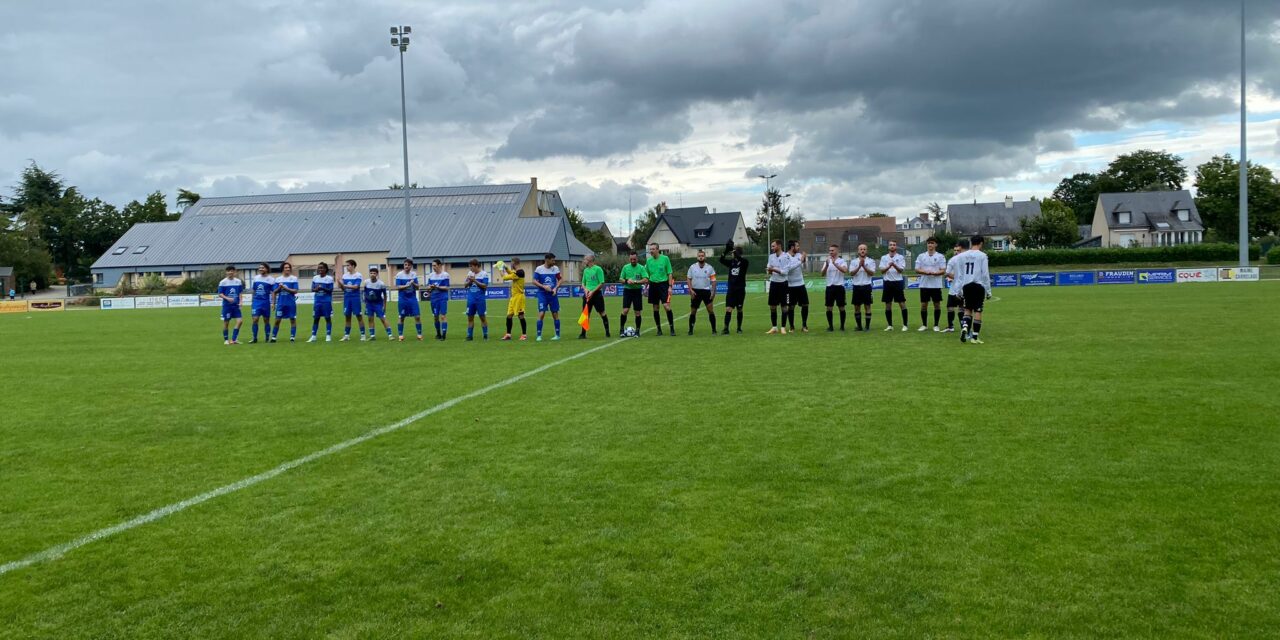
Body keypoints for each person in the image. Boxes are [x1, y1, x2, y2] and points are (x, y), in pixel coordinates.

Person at [953, 235, 992, 344]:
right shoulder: (982, 256)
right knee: (978, 310)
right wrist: (988, 291)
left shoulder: (962, 256)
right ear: (981, 243)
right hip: (978, 285)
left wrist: (958, 290)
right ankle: (974, 337)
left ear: (971, 243)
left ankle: (965, 327)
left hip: (966, 286)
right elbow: (985, 274)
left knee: (967, 309)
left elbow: (960, 275)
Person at [914, 237, 947, 332]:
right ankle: (924, 325)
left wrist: (935, 273)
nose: (930, 245)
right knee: (924, 305)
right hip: (924, 285)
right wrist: (925, 272)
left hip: (936, 285)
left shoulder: (940, 256)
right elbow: (917, 269)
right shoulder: (921, 256)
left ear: (936, 244)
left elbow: (943, 270)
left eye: (932, 243)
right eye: (928, 243)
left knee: (937, 305)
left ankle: (936, 325)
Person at [645, 243, 675, 336]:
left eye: (653, 249)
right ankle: (659, 329)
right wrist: (645, 288)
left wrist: (670, 286)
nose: (651, 251)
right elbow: (646, 276)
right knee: (655, 307)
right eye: (650, 249)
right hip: (653, 285)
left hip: (663, 285)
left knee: (666, 306)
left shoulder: (665, 258)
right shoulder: (648, 261)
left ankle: (672, 328)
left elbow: (670, 273)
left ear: (658, 250)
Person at [719, 241, 748, 334]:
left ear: (737, 253)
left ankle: (739, 328)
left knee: (739, 309)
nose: (731, 254)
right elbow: (721, 260)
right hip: (731, 290)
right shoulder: (731, 262)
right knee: (728, 309)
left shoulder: (744, 262)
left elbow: (740, 258)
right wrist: (726, 250)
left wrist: (734, 251)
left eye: (733, 253)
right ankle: (726, 328)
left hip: (740, 290)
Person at [686, 249, 717, 335]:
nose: (701, 257)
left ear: (705, 257)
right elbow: (688, 278)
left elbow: (713, 280)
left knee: (710, 310)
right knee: (693, 311)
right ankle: (690, 330)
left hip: (706, 291)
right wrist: (691, 290)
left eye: (702, 256)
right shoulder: (692, 267)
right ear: (697, 257)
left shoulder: (710, 267)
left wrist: (713, 292)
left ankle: (714, 330)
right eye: (699, 256)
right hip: (695, 291)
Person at [878, 241, 908, 332]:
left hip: (897, 282)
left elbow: (901, 270)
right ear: (888, 247)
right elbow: (882, 271)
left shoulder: (900, 257)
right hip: (887, 283)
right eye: (890, 245)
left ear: (896, 247)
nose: (892, 246)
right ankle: (890, 325)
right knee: (888, 305)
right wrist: (888, 266)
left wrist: (894, 265)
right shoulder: (884, 257)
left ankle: (905, 325)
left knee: (902, 303)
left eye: (894, 245)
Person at [579, 254, 610, 338]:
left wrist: (592, 291)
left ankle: (607, 332)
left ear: (590, 260)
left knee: (601, 312)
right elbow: (583, 283)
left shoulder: (598, 269)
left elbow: (601, 283)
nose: (584, 261)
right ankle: (583, 334)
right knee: (585, 314)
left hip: (596, 295)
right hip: (587, 295)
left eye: (585, 259)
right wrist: (585, 290)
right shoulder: (585, 270)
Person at [533, 253, 562, 341]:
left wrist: (556, 288)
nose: (554, 262)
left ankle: (557, 335)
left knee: (555, 314)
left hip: (552, 294)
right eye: (552, 260)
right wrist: (543, 286)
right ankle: (539, 336)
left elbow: (560, 279)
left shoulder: (555, 268)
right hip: (542, 294)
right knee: (541, 313)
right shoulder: (539, 269)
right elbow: (534, 281)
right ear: (547, 260)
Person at [618, 251, 648, 335]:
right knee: (625, 310)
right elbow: (620, 279)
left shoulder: (641, 268)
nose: (632, 261)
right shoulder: (625, 267)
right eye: (631, 259)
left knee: (637, 312)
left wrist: (635, 282)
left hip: (637, 291)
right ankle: (621, 329)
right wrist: (627, 281)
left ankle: (637, 331)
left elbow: (646, 279)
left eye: (634, 259)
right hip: (627, 291)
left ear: (637, 259)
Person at [820, 244, 849, 331]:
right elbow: (822, 274)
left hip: (839, 287)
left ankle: (842, 326)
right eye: (830, 250)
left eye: (832, 250)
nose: (830, 252)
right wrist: (827, 265)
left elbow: (845, 270)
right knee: (829, 307)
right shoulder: (827, 261)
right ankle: (831, 327)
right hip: (829, 287)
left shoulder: (842, 261)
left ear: (837, 251)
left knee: (841, 307)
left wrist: (835, 264)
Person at [765, 240, 791, 334]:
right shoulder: (771, 256)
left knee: (784, 307)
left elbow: (785, 272)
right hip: (773, 283)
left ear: (779, 246)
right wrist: (769, 270)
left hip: (783, 284)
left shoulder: (786, 256)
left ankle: (783, 327)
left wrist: (773, 269)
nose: (772, 248)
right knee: (772, 306)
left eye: (773, 246)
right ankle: (774, 327)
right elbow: (768, 269)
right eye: (771, 246)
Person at [394, 259, 423, 342]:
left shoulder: (413, 274)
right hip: (403, 299)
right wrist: (406, 286)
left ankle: (419, 335)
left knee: (417, 316)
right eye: (405, 265)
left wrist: (413, 283)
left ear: (411, 266)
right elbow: (397, 287)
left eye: (408, 265)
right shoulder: (399, 275)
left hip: (412, 298)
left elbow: (417, 287)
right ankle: (400, 335)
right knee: (401, 317)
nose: (407, 266)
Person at [499, 257, 528, 341]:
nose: (510, 264)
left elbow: (504, 277)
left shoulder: (520, 272)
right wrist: (505, 267)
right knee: (509, 315)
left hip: (519, 297)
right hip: (513, 297)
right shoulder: (516, 272)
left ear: (514, 263)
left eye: (511, 263)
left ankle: (524, 335)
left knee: (521, 315)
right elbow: (510, 272)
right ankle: (508, 334)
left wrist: (500, 269)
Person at [944, 239, 969, 333]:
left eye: (958, 250)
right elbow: (947, 274)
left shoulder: (958, 260)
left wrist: (955, 277)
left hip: (963, 287)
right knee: (950, 307)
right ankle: (951, 326)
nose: (956, 252)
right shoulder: (953, 260)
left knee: (961, 308)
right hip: (954, 287)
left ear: (961, 250)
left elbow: (946, 273)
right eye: (954, 250)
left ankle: (963, 327)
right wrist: (954, 277)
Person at [848, 244, 876, 331]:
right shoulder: (853, 262)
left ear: (866, 251)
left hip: (867, 286)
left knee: (867, 306)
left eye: (864, 249)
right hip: (856, 287)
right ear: (858, 251)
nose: (862, 250)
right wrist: (859, 266)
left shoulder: (871, 261)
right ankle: (859, 326)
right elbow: (851, 273)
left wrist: (864, 266)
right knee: (857, 307)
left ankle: (867, 326)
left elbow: (872, 273)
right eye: (861, 249)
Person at [339, 259, 367, 342]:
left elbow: (356, 287)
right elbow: (343, 289)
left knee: (359, 316)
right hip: (347, 298)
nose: (347, 267)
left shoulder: (358, 275)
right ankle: (346, 335)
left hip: (355, 298)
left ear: (353, 266)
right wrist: (340, 284)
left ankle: (363, 335)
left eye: (348, 265)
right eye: (346, 265)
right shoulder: (344, 276)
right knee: (347, 317)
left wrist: (344, 285)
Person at [784, 241, 809, 332]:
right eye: (797, 246)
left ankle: (804, 325)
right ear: (792, 247)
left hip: (801, 284)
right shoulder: (785, 256)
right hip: (790, 286)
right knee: (791, 306)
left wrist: (804, 261)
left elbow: (805, 269)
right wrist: (800, 262)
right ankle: (791, 327)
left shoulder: (799, 255)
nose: (799, 248)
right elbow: (789, 269)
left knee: (805, 304)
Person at [271, 262, 299, 342]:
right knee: (277, 320)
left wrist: (285, 288)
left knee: (292, 319)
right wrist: (273, 303)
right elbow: (274, 292)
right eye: (286, 267)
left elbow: (295, 291)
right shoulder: (278, 279)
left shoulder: (294, 278)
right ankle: (273, 337)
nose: (288, 269)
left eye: (289, 267)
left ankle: (292, 337)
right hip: (281, 303)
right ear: (282, 269)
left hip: (291, 303)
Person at [363, 266, 393, 340]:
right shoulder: (366, 282)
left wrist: (384, 305)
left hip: (378, 304)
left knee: (382, 318)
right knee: (370, 319)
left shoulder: (381, 284)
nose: (372, 274)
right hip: (369, 304)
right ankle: (372, 336)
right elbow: (365, 292)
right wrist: (365, 302)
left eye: (374, 273)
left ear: (377, 274)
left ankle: (390, 335)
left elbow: (385, 295)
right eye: (371, 273)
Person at [248, 262, 275, 343]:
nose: (261, 269)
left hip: (265, 302)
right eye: (260, 268)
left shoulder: (271, 279)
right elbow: (254, 290)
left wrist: (273, 303)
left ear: (267, 269)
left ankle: (267, 337)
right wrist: (252, 301)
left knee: (266, 320)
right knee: (255, 319)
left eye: (262, 268)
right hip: (256, 302)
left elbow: (273, 292)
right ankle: (254, 338)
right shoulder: (256, 278)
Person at [464, 259, 490, 341]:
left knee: (482, 317)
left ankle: (485, 335)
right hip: (471, 300)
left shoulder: (484, 274)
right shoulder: (469, 273)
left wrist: (475, 280)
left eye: (471, 266)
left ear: (476, 266)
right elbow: (465, 285)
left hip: (480, 299)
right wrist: (470, 281)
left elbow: (485, 286)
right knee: (470, 318)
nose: (470, 268)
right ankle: (469, 336)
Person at [308, 262, 335, 342]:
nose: (320, 269)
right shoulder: (315, 278)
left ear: (326, 269)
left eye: (322, 268)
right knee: (316, 318)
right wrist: (316, 289)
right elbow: (312, 289)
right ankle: (313, 336)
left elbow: (331, 290)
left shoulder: (329, 278)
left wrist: (322, 288)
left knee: (327, 318)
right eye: (319, 268)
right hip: (317, 301)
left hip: (326, 301)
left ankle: (328, 335)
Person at [217, 265, 244, 345]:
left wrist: (241, 302)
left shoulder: (238, 281)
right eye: (229, 271)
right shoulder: (223, 282)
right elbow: (220, 294)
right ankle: (226, 340)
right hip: (227, 306)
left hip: (236, 306)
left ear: (234, 272)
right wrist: (227, 298)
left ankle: (233, 339)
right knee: (226, 323)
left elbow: (240, 293)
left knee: (240, 321)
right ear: (226, 272)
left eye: (232, 271)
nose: (230, 272)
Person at [427, 259, 450, 340]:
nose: (433, 267)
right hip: (434, 298)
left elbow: (447, 287)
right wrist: (430, 287)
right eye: (432, 266)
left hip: (442, 298)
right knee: (435, 316)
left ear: (439, 265)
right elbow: (428, 287)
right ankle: (438, 333)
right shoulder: (431, 275)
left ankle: (444, 335)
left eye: (435, 265)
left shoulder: (445, 275)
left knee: (443, 316)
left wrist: (437, 287)